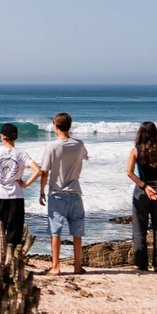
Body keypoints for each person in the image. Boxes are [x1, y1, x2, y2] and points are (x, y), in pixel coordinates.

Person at [0, 123, 42, 246]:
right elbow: (38, 171)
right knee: (14, 232)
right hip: (17, 196)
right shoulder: (21, 154)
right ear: (16, 137)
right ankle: (12, 261)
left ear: (2, 137)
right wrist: (25, 184)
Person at [39, 113, 88, 274]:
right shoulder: (79, 145)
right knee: (77, 232)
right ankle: (77, 265)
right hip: (75, 192)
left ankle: (56, 266)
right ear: (70, 125)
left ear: (55, 126)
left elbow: (45, 170)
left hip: (57, 193)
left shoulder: (52, 146)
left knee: (55, 231)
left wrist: (41, 191)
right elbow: (84, 158)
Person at [126, 122, 157, 272]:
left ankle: (140, 264)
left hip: (142, 190)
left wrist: (144, 187)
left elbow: (130, 172)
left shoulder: (136, 151)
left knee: (139, 227)